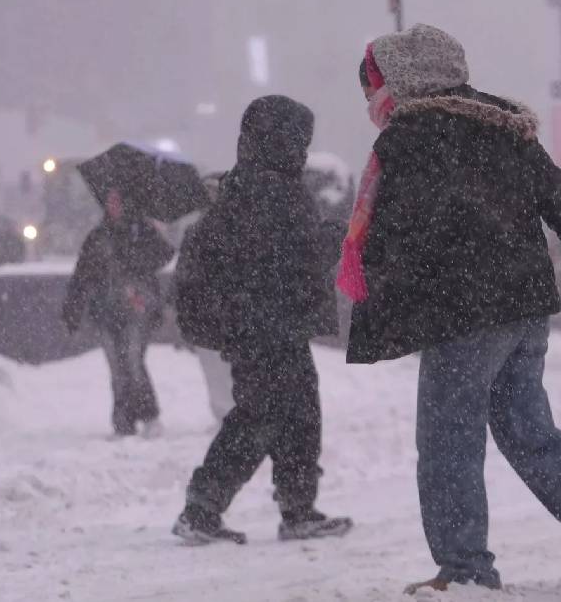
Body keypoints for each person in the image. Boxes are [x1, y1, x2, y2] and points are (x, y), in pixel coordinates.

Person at [343, 24, 561, 593]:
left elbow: (399, 238)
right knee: (530, 435)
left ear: (403, 81)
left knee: (448, 442)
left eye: (374, 88)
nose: (373, 103)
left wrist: (389, 305)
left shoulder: (411, 138)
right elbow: (560, 195)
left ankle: (465, 571)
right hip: (523, 305)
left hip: (463, 312)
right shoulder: (502, 126)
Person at [171, 95, 351, 545]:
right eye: (300, 141)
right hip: (267, 324)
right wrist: (338, 234)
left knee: (293, 413)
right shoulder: (273, 191)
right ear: (282, 140)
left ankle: (296, 508)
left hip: (260, 323)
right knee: (262, 416)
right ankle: (205, 508)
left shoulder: (246, 183)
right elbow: (296, 256)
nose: (304, 151)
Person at [63, 189, 173, 437]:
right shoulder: (98, 236)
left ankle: (148, 414)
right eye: (109, 201)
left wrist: (142, 240)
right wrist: (72, 309)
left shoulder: (141, 231)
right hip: (106, 311)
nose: (113, 205)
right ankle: (124, 420)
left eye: (117, 200)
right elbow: (81, 276)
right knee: (117, 367)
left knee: (132, 361)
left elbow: (164, 254)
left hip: (136, 308)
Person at [178, 172, 235, 423]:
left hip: (223, 309)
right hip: (205, 309)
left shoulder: (236, 228)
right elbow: (183, 272)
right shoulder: (194, 231)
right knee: (213, 366)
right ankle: (225, 413)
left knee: (225, 366)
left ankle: (232, 411)